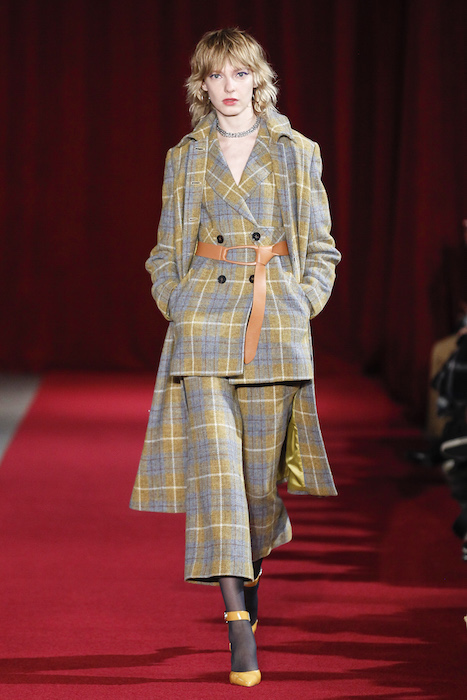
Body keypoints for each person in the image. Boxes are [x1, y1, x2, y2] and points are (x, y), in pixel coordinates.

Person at [130, 28, 341, 687]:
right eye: (215, 74)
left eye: (239, 73)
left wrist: (301, 302)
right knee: (217, 477)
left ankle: (248, 581)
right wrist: (176, 300)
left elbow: (321, 248)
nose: (228, 85)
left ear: (258, 80)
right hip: (203, 326)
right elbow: (164, 249)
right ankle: (236, 625)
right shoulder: (185, 157)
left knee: (255, 490)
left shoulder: (296, 152)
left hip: (272, 325)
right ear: (201, 84)